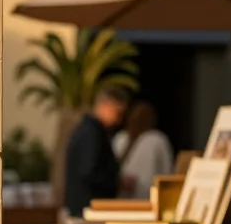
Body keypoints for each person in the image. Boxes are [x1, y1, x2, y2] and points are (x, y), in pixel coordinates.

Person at [64, 87, 128, 217]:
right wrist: (116, 181)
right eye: (117, 113)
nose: (118, 120)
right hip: (89, 210)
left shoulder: (88, 130)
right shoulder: (92, 134)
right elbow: (89, 172)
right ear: (105, 106)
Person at [113, 101, 174, 200]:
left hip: (124, 197)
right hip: (148, 196)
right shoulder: (157, 140)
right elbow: (167, 172)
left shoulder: (120, 138)